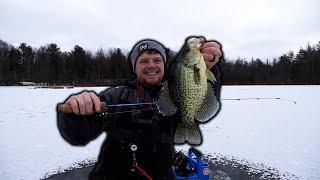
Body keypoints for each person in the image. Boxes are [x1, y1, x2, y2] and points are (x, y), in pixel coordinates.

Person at [57, 38, 223, 180]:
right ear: (135, 68)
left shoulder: (174, 93)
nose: (151, 65)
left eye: (157, 60)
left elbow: (201, 106)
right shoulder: (114, 96)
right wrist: (75, 115)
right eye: (144, 61)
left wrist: (209, 69)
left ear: (164, 65)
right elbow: (78, 135)